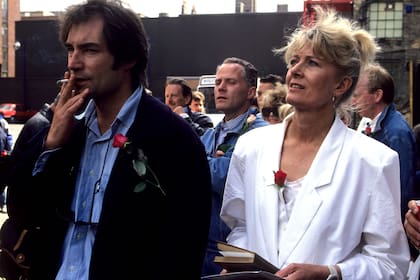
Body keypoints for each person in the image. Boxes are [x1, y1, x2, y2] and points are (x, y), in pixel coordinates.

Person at [10, 1, 212, 279]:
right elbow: (22, 212)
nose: (73, 63)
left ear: (128, 58)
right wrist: (51, 144)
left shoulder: (174, 138)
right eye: (70, 49)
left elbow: (182, 250)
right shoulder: (66, 127)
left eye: (89, 50)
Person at [220, 6, 410, 279]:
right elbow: (240, 226)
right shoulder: (251, 147)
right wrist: (240, 265)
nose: (295, 70)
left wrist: (331, 273)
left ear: (341, 85)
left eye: (312, 63)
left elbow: (390, 264)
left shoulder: (374, 160)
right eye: (294, 60)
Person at [200, 57, 268, 276]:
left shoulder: (260, 133)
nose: (220, 87)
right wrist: (215, 163)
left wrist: (207, 165)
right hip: (205, 243)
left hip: (238, 247)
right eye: (218, 82)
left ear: (250, 92)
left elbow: (224, 179)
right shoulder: (211, 134)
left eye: (230, 82)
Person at [352, 63, 418, 220]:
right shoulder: (374, 123)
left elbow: (400, 189)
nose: (353, 102)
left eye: (356, 95)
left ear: (377, 95)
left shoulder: (396, 133)